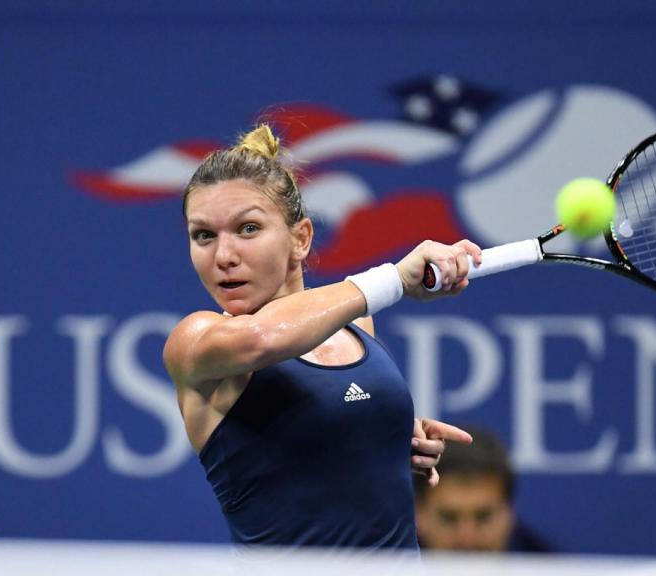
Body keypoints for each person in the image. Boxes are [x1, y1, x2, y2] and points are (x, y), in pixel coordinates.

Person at [162, 124, 476, 551]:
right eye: (204, 235)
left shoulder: (357, 325)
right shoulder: (196, 343)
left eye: (248, 229)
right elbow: (263, 337)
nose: (224, 256)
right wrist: (393, 280)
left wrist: (385, 435)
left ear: (301, 238)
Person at [414, 428, 552, 553]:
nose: (467, 540)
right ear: (419, 515)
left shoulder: (551, 565)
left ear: (510, 513)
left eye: (483, 517)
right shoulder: (399, 559)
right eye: (448, 518)